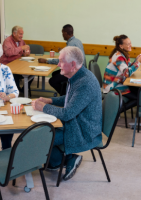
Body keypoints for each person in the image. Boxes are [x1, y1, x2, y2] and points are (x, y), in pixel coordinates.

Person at [32, 46, 102, 181]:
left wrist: (44, 107)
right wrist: (50, 100)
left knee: (41, 136)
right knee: (43, 129)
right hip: (78, 123)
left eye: (61, 61)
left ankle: (67, 159)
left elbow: (68, 113)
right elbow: (71, 98)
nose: (58, 65)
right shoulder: (78, 75)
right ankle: (58, 161)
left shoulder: (85, 83)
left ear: (73, 64)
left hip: (84, 131)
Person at [38, 24, 86, 96]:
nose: (62, 34)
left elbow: (61, 61)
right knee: (54, 74)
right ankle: (66, 91)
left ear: (66, 33)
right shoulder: (77, 41)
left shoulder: (71, 44)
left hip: (75, 72)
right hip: (81, 69)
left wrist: (46, 61)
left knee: (52, 81)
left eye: (62, 32)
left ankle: (66, 96)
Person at [102, 35, 141, 100]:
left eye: (130, 43)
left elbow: (128, 67)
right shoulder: (119, 57)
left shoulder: (124, 54)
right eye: (128, 44)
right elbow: (127, 73)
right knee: (140, 96)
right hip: (112, 87)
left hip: (119, 83)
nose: (131, 45)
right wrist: (139, 62)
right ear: (121, 46)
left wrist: (137, 60)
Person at [0, 26, 32, 94]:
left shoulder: (21, 41)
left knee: (31, 73)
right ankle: (16, 90)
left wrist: (26, 53)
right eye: (20, 34)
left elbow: (23, 51)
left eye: (22, 34)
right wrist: (21, 48)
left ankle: (22, 90)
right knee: (15, 75)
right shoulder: (7, 41)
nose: (22, 36)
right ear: (14, 34)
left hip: (18, 63)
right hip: (7, 64)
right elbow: (8, 53)